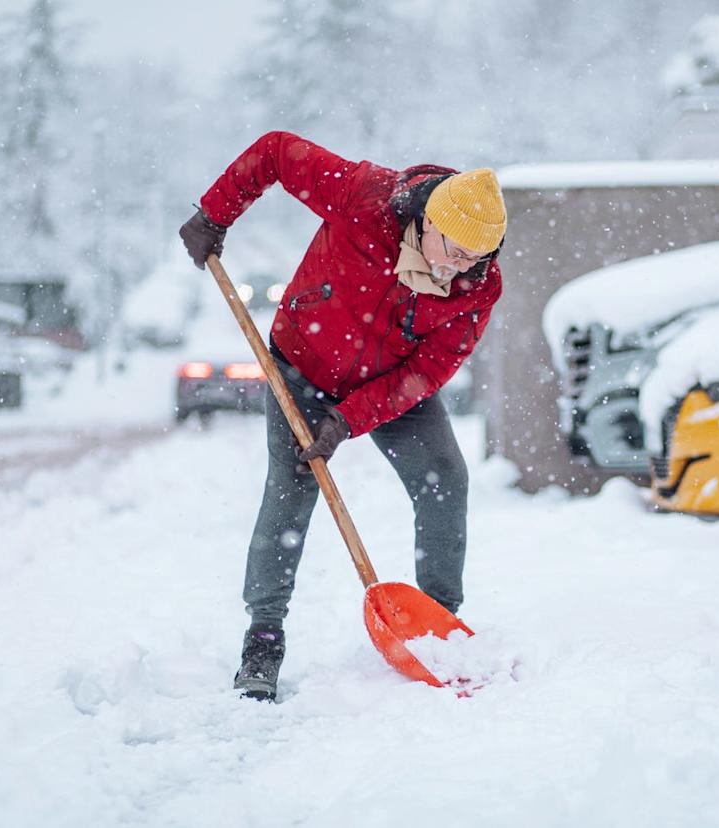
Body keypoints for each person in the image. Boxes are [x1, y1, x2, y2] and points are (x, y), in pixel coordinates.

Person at [179, 132, 506, 702]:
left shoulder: (478, 286)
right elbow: (278, 151)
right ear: (427, 219)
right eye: (452, 250)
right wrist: (215, 213)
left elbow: (430, 367)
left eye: (475, 257)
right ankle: (263, 640)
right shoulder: (366, 197)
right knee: (291, 492)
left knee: (444, 481)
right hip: (301, 368)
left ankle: (437, 626)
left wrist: (350, 417)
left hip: (389, 382)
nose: (459, 267)